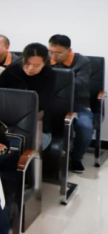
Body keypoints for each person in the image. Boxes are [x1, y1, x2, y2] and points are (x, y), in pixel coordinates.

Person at [0, 43, 56, 151]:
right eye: (27, 63)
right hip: (6, 120)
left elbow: (43, 104)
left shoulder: (49, 75)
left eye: (36, 65)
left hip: (37, 123)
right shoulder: (12, 69)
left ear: (44, 63)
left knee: (27, 149)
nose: (30, 68)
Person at [49, 34, 93, 174]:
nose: (54, 56)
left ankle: (77, 158)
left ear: (69, 50)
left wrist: (59, 77)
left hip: (78, 103)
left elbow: (81, 84)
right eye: (51, 51)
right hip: (52, 103)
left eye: (58, 53)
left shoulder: (82, 61)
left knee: (85, 127)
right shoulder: (46, 59)